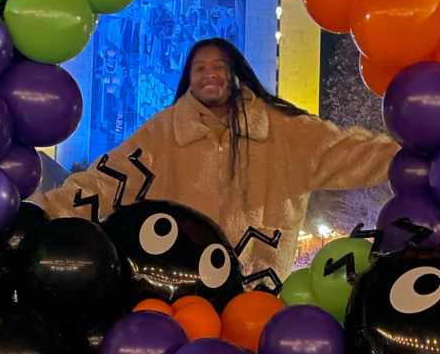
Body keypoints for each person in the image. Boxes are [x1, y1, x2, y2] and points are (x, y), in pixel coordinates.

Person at [31, 38, 399, 280]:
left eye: (219, 66)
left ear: (236, 73)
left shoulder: (283, 131)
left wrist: (408, 152)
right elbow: (107, 180)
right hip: (186, 290)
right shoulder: (164, 133)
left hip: (259, 292)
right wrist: (42, 211)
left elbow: (347, 151)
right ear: (188, 79)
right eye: (200, 68)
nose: (210, 74)